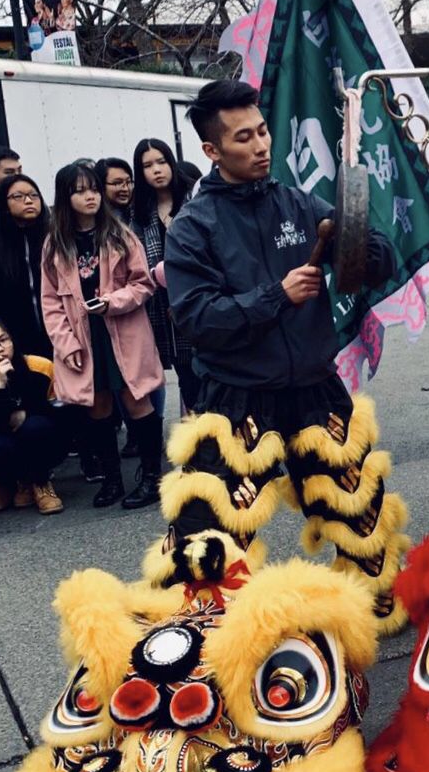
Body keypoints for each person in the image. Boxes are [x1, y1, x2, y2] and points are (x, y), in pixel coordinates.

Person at [162, 79, 407, 633]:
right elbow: (197, 318)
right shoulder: (194, 228)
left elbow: (379, 261)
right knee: (209, 531)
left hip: (314, 386)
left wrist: (352, 235)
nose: (261, 145)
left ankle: (373, 611)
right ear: (212, 150)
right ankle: (205, 632)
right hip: (235, 393)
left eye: (263, 130)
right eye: (243, 137)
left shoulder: (296, 201)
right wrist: (276, 296)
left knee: (361, 515)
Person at [40, 162, 164, 509]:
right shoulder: (55, 244)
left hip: (122, 329)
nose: (90, 196)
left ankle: (152, 476)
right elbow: (49, 302)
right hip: (82, 335)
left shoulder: (119, 234)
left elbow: (143, 284)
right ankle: (112, 480)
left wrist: (111, 302)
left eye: (93, 188)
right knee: (98, 405)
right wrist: (65, 343)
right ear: (66, 196)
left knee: (136, 399)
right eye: (80, 190)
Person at [131, 138, 198, 413]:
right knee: (186, 375)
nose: (156, 170)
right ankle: (199, 441)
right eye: (147, 165)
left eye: (161, 162)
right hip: (161, 306)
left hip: (197, 300)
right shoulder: (139, 213)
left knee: (208, 371)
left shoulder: (194, 200)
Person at [0, 317, 64, 515]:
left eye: (3, 340)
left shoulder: (39, 366)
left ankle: (41, 483)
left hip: (46, 439)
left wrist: (25, 413)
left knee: (35, 426)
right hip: (8, 442)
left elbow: (60, 413)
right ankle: (22, 481)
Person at [0, 174, 52, 359]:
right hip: (17, 338)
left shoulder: (54, 235)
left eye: (34, 195)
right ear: (4, 203)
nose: (28, 201)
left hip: (58, 332)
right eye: (18, 196)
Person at [97, 157, 135, 223]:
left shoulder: (141, 215)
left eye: (128, 182)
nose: (125, 189)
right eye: (117, 183)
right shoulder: (94, 220)